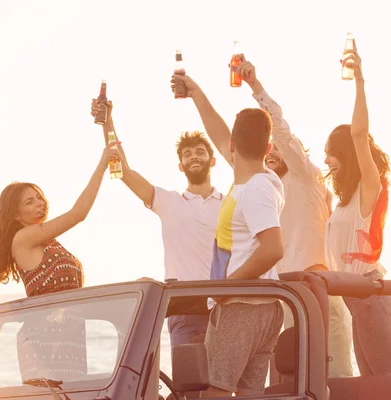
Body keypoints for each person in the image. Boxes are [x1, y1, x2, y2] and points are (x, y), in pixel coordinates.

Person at [233, 55, 353, 378]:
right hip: (286, 298)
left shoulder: (306, 176)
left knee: (338, 381)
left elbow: (282, 134)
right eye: (266, 151)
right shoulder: (266, 191)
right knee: (287, 385)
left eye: (276, 150)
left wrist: (255, 86)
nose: (271, 153)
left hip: (321, 295)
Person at [171, 73, 285, 397]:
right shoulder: (263, 178)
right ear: (269, 147)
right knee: (249, 395)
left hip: (240, 307)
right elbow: (220, 132)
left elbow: (274, 248)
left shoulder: (254, 189)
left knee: (214, 394)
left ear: (234, 147)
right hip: (261, 309)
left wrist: (228, 286)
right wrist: (196, 94)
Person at [90, 100, 223, 348]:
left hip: (224, 311)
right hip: (184, 311)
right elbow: (124, 171)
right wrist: (107, 122)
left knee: (222, 386)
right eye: (187, 154)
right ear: (180, 166)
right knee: (189, 385)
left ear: (212, 161)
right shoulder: (168, 201)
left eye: (200, 151)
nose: (193, 155)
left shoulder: (230, 205)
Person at [0, 142, 120, 381]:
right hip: (43, 343)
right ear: (16, 215)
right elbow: (78, 214)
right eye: (29, 202)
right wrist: (102, 165)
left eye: (38, 197)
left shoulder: (49, 240)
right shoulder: (23, 238)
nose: (39, 203)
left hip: (71, 339)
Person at [324, 42, 391, 376]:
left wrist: (359, 82)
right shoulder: (344, 201)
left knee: (386, 391)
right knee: (371, 390)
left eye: (331, 153)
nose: (326, 161)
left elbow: (359, 134)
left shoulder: (369, 190)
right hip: (357, 305)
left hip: (372, 300)